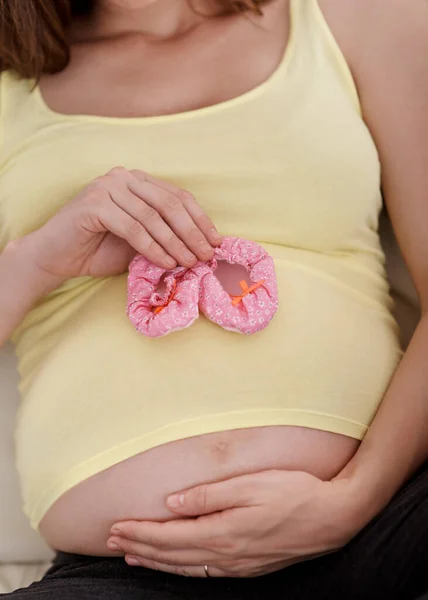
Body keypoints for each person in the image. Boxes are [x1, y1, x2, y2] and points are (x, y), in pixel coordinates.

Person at [0, 0, 427, 598]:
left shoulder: (362, 18)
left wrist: (355, 497)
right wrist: (38, 258)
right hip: (135, 569)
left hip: (391, 515)